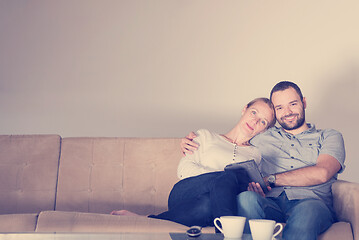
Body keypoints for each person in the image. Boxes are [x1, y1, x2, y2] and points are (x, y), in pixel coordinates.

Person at [181, 81, 345, 240]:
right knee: (246, 199)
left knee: (308, 212)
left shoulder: (329, 136)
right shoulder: (263, 134)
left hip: (311, 202)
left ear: (304, 102)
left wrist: (271, 180)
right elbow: (232, 142)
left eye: (293, 104)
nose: (287, 112)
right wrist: (194, 141)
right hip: (269, 201)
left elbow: (322, 173)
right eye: (279, 107)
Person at [111, 97, 276, 227]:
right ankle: (230, 232)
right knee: (229, 177)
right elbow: (183, 169)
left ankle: (148, 219)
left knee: (207, 205)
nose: (255, 121)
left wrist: (255, 191)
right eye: (254, 112)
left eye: (263, 121)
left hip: (215, 206)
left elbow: (247, 190)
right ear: (244, 110)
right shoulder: (204, 136)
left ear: (265, 129)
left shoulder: (255, 155)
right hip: (186, 192)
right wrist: (223, 179)